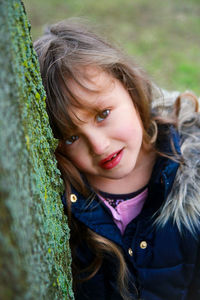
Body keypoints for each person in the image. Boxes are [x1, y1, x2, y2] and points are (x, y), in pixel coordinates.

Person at [34, 19, 200, 300]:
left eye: (102, 114)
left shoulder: (191, 177)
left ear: (129, 87)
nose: (99, 146)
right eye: (72, 138)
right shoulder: (62, 198)